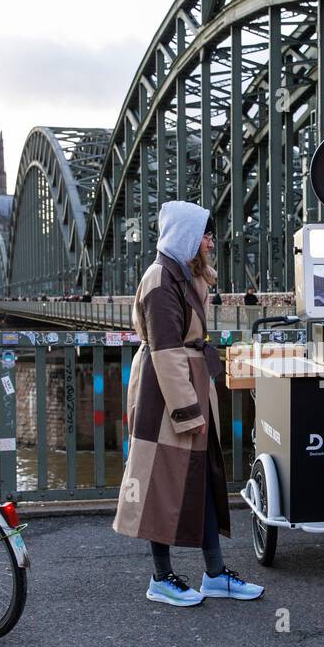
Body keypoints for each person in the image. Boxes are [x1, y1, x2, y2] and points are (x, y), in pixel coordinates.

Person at [113, 203, 264, 606]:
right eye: (205, 234)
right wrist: (188, 412)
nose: (211, 241)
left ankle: (214, 574)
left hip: (185, 382)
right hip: (164, 395)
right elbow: (165, 352)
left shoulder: (180, 275)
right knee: (162, 481)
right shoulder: (161, 279)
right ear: (185, 236)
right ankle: (160, 578)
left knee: (200, 478)